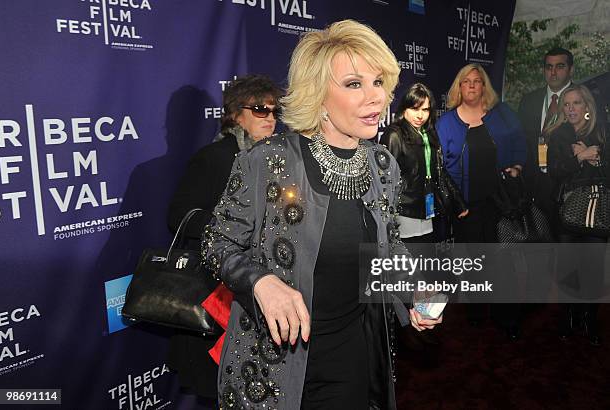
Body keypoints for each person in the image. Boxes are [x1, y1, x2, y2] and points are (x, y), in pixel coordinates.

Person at [201, 20, 442, 409]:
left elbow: (388, 243)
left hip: (352, 356)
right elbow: (217, 243)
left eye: (378, 82)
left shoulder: (383, 165)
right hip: (273, 364)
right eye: (353, 84)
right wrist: (261, 281)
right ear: (318, 94)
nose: (375, 98)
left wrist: (411, 292)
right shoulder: (268, 161)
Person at [166, 75, 281, 403]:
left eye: (274, 111)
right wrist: (233, 226)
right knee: (220, 386)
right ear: (235, 114)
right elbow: (178, 216)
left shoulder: (276, 158)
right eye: (260, 109)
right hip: (216, 291)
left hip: (257, 289)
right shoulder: (215, 157)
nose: (270, 117)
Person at [436, 63, 526, 339]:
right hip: (466, 207)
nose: (472, 85)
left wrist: (517, 167)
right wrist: (454, 204)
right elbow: (441, 168)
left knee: (502, 262)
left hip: (500, 204)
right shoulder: (446, 122)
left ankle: (506, 316)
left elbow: (520, 143)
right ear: (459, 87)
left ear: (484, 86)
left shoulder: (502, 116)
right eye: (467, 81)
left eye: (477, 81)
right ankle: (476, 311)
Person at [546, 84, 608, 346]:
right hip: (567, 211)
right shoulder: (558, 134)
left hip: (598, 211)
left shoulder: (602, 132)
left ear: (587, 107)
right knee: (568, 269)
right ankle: (569, 316)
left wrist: (600, 158)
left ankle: (589, 318)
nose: (570, 108)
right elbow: (555, 171)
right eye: (567, 104)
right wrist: (582, 156)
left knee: (593, 268)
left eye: (576, 104)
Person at [380, 82, 468, 244]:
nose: (420, 115)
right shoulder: (394, 135)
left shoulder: (429, 134)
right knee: (406, 263)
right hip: (403, 211)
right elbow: (383, 180)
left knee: (423, 259)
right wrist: (386, 219)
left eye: (425, 110)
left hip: (427, 209)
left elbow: (440, 171)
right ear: (404, 109)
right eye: (415, 109)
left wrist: (458, 202)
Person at [519, 47, 575, 226]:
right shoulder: (529, 101)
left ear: (571, 70)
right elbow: (521, 140)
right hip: (535, 184)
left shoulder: (583, 99)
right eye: (548, 67)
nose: (553, 72)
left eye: (559, 66)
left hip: (570, 185)